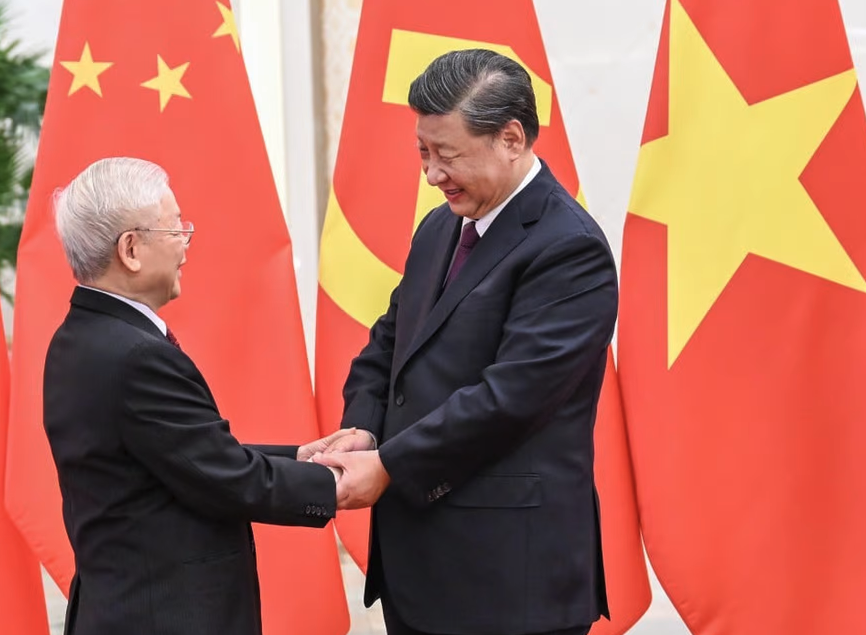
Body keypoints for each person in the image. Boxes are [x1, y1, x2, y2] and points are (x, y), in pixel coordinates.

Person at [313, 49, 616, 635]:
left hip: (508, 582)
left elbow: (510, 399)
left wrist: (388, 465)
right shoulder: (441, 227)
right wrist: (363, 429)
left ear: (511, 138)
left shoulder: (568, 247)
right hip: (419, 571)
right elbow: (390, 344)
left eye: (447, 155)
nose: (432, 176)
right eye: (423, 153)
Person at [42, 157, 348, 635]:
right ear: (131, 249)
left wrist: (299, 457)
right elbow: (222, 477)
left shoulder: (79, 336)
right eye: (175, 229)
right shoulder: (136, 355)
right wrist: (336, 483)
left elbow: (180, 456)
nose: (186, 244)